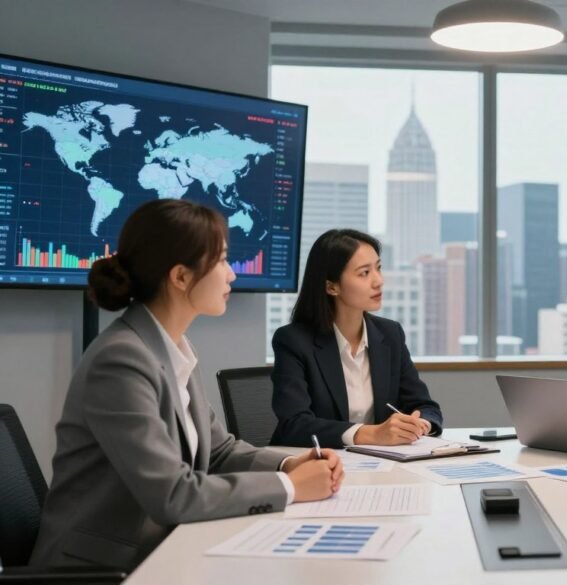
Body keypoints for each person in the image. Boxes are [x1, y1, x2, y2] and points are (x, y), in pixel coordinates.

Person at [30, 200, 343, 571]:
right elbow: (172, 494)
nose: (232, 276)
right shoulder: (121, 360)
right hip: (102, 568)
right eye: (223, 260)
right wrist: (290, 487)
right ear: (180, 277)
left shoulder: (172, 345)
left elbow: (218, 452)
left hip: (159, 549)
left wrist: (291, 462)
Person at [271, 229, 443, 448]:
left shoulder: (390, 335)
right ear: (331, 286)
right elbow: (294, 424)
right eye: (364, 273)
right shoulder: (293, 341)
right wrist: (371, 434)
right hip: (319, 465)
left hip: (383, 466)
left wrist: (420, 424)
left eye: (378, 269)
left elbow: (426, 406)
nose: (378, 281)